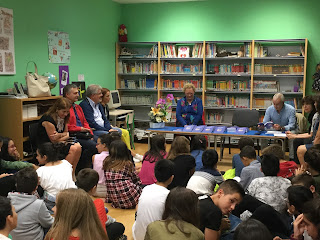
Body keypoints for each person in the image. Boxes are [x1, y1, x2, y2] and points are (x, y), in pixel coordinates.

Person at [37, 97, 82, 178]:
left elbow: (67, 134)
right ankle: (64, 175)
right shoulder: (48, 120)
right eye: (63, 111)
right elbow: (54, 140)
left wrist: (60, 135)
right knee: (73, 149)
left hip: (58, 142)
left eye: (67, 112)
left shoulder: (64, 118)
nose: (65, 114)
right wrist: (64, 136)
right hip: (47, 144)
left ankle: (72, 174)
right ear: (57, 109)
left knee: (78, 147)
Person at [76, 169, 126, 240]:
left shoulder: (70, 198)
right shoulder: (96, 203)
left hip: (76, 232)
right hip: (92, 235)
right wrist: (112, 220)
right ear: (94, 188)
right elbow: (104, 221)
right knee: (119, 227)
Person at [133, 159, 174, 240]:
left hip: (137, 236)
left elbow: (137, 208)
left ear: (155, 175)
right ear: (171, 178)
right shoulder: (169, 195)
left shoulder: (146, 189)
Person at [44, 188, 109, 240]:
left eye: (57, 205)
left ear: (67, 213)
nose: (53, 209)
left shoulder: (54, 236)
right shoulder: (98, 233)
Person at [8, 167, 54, 240]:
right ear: (36, 188)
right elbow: (49, 223)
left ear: (16, 185)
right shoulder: (38, 205)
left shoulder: (7, 201)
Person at [63, 84, 97, 172]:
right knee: (92, 145)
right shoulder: (64, 109)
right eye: (75, 93)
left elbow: (85, 122)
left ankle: (94, 168)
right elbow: (67, 126)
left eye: (78, 93)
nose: (78, 95)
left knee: (100, 141)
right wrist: (80, 129)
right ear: (67, 94)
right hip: (73, 134)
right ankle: (84, 169)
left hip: (83, 133)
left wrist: (90, 133)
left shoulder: (78, 107)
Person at [36, 142, 77, 213]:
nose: (36, 158)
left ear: (45, 157)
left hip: (54, 200)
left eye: (38, 155)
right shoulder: (66, 163)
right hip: (72, 196)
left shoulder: (40, 171)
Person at [103, 140, 142, 209]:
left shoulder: (106, 162)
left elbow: (107, 182)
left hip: (115, 200)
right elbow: (136, 180)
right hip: (131, 198)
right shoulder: (127, 163)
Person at [261, 93, 296, 160]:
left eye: (277, 104)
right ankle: (264, 156)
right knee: (263, 134)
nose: (275, 106)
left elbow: (292, 125)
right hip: (274, 129)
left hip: (287, 129)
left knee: (292, 136)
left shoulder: (291, 109)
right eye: (274, 104)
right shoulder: (269, 109)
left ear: (283, 103)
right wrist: (268, 125)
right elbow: (265, 122)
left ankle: (292, 158)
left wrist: (282, 127)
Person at [287, 96, 317, 164]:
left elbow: (310, 134)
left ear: (313, 105)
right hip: (314, 137)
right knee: (297, 140)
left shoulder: (314, 115)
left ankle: (297, 164)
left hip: (315, 139)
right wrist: (294, 135)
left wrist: (294, 136)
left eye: (307, 104)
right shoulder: (311, 115)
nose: (305, 106)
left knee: (297, 141)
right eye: (303, 104)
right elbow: (309, 132)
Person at [92, 133, 114, 197]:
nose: (96, 146)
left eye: (98, 144)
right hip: (110, 191)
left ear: (104, 145)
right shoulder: (114, 157)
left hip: (95, 190)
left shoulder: (94, 157)